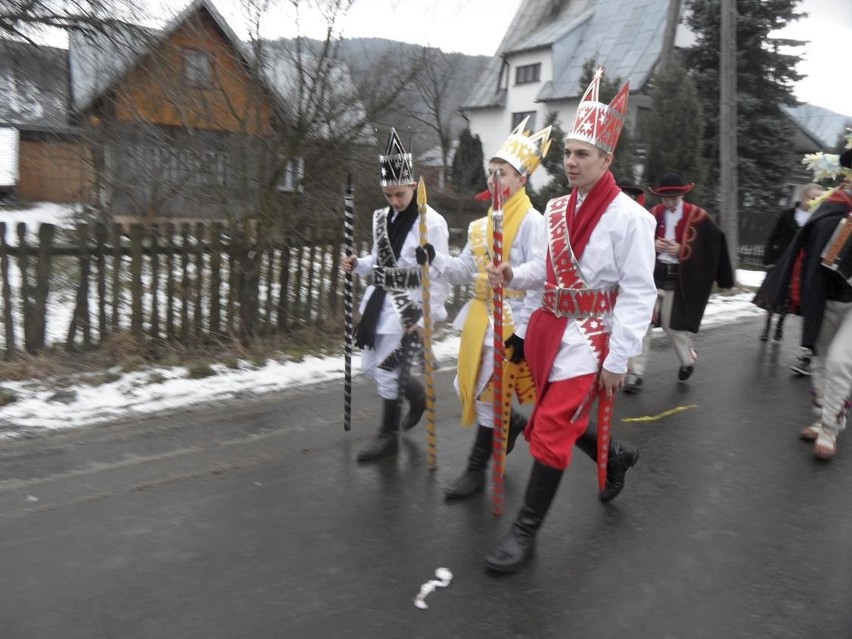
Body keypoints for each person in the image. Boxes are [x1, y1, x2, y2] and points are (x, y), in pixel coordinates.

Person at [482, 69, 657, 573]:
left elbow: (639, 292)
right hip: (548, 330)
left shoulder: (631, 219)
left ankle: (525, 532)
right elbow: (546, 269)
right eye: (569, 153)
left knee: (551, 426)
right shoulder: (556, 208)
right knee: (550, 418)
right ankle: (615, 455)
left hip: (592, 338)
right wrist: (514, 272)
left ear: (607, 159)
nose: (572, 161)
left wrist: (620, 356)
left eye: (584, 153)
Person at [420, 117, 550, 500]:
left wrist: (524, 334)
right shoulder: (479, 227)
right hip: (481, 320)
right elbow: (464, 271)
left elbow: (539, 281)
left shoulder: (532, 223)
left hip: (513, 324)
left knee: (488, 396)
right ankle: (510, 428)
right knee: (468, 386)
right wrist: (434, 258)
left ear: (521, 180)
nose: (495, 180)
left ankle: (477, 470)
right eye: (491, 173)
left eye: (503, 173)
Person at [341, 128, 450, 463]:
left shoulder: (431, 222)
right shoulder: (381, 218)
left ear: (414, 185)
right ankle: (416, 396)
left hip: (407, 307)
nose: (395, 201)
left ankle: (387, 437)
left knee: (388, 371)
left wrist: (426, 315)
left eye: (400, 194)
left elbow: (439, 273)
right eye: (388, 195)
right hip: (378, 301)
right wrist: (358, 263)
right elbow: (380, 260)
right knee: (372, 368)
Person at [758, 142, 852, 460]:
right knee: (822, 359)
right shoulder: (832, 204)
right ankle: (828, 414)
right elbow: (805, 251)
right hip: (826, 297)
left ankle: (828, 429)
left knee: (840, 361)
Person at [623, 173, 735, 394]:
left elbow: (713, 245)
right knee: (642, 324)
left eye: (674, 197)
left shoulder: (698, 216)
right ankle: (635, 373)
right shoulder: (652, 214)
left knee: (673, 325)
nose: (669, 202)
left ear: (682, 194)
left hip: (679, 278)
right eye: (665, 198)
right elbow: (635, 240)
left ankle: (687, 360)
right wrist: (652, 243)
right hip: (653, 276)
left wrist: (683, 250)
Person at [760, 183, 823, 348]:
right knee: (772, 296)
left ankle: (780, 324)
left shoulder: (817, 219)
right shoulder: (787, 215)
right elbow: (773, 236)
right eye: (813, 198)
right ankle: (767, 325)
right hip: (781, 260)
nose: (815, 201)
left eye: (819, 199)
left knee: (789, 298)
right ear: (803, 197)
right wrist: (769, 257)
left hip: (799, 264)